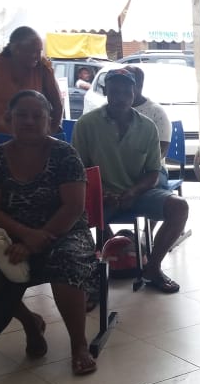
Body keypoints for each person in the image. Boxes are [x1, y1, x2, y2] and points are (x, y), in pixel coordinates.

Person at [0, 90, 98, 376]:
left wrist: (36, 240)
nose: (29, 121)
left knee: (66, 262)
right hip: (14, 235)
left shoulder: (65, 154)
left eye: (37, 115)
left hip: (64, 232)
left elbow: (73, 207)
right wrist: (25, 235)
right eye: (22, 115)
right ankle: (30, 323)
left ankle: (79, 345)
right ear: (9, 119)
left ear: (49, 120)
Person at [73, 69, 189, 294]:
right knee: (73, 221)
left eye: (126, 92)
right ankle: (90, 278)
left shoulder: (147, 126)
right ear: (106, 92)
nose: (121, 97)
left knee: (179, 207)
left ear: (134, 93)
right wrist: (102, 193)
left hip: (138, 194)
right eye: (114, 91)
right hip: (100, 196)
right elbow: (79, 170)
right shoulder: (86, 124)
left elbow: (153, 172)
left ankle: (152, 268)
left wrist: (133, 192)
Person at [125, 66, 173, 189]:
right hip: (118, 170)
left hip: (153, 170)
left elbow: (162, 150)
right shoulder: (111, 110)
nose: (122, 90)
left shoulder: (156, 112)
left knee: (149, 189)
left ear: (139, 86)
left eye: (127, 85)